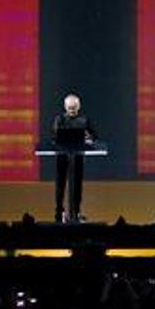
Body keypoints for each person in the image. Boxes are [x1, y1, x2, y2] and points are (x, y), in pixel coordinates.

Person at [52, 93, 97, 223]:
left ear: (78, 107)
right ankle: (59, 212)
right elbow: (55, 135)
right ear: (65, 107)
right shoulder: (59, 119)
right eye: (69, 108)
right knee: (60, 184)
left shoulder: (84, 120)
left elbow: (94, 136)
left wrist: (89, 139)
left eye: (74, 107)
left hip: (77, 156)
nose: (71, 110)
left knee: (77, 185)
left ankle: (76, 212)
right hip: (62, 156)